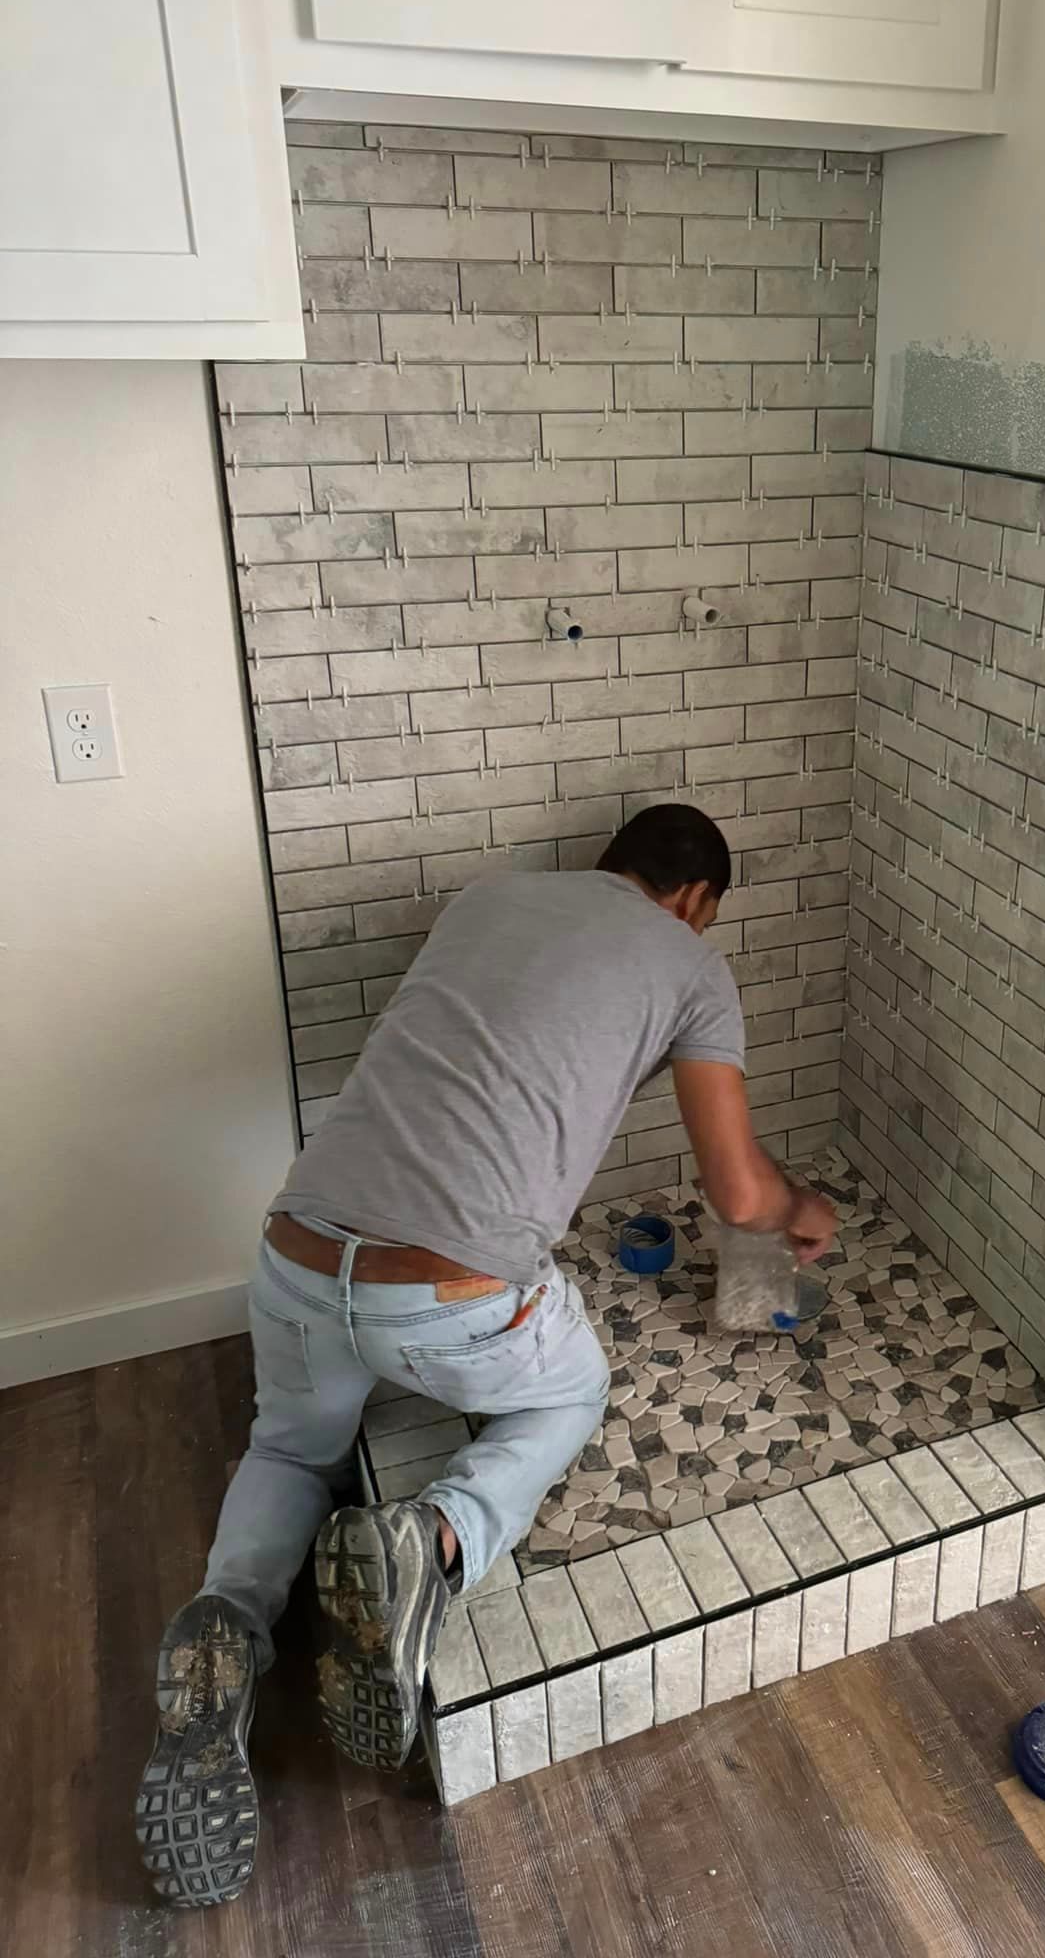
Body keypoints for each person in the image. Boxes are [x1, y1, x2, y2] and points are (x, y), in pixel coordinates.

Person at [134, 803, 838, 1907]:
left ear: (609, 863)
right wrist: (805, 1207)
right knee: (571, 1393)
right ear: (697, 900)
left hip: (297, 1256)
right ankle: (436, 1540)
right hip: (449, 1301)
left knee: (290, 1448)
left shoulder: (488, 898)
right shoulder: (691, 963)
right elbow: (740, 1194)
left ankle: (227, 1617)